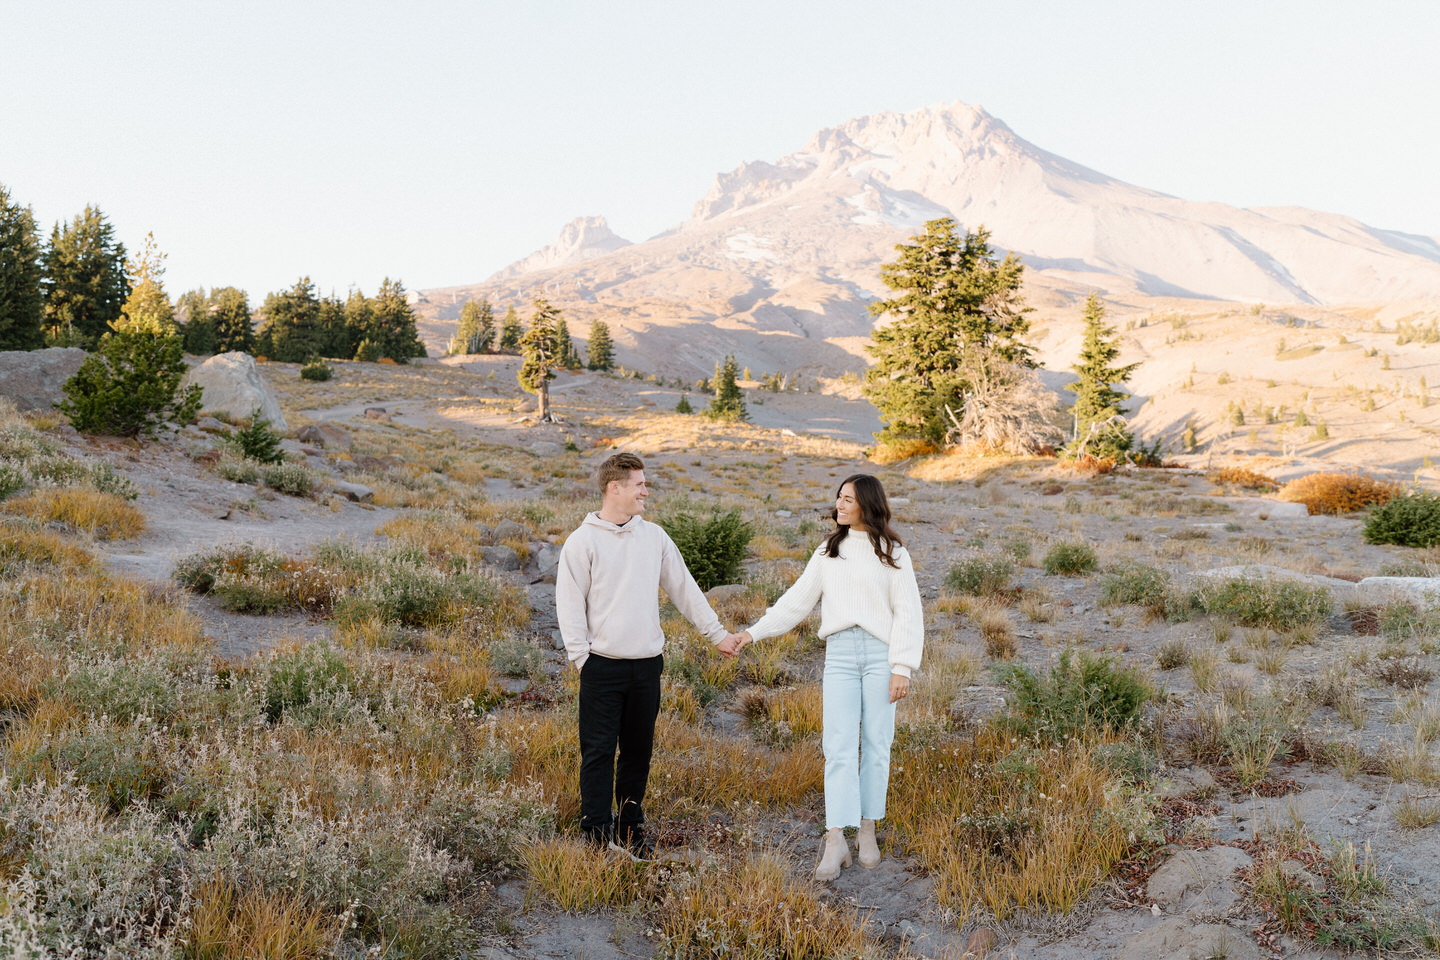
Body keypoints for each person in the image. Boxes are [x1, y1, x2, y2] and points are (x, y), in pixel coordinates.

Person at [729, 473, 923, 881]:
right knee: (836, 746)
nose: (839, 504)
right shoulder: (828, 550)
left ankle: (867, 829)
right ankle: (836, 838)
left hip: (879, 657)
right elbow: (795, 602)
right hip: (839, 654)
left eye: (848, 498)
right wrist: (751, 633)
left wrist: (901, 667)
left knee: (876, 744)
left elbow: (908, 612)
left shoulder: (892, 552)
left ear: (867, 503)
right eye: (838, 497)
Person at [556, 451, 741, 858]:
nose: (646, 489)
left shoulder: (654, 537)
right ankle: (595, 834)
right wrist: (581, 660)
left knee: (639, 751)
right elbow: (569, 606)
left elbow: (685, 589)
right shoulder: (582, 542)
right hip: (601, 667)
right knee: (599, 752)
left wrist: (717, 635)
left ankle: (629, 828)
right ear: (614, 487)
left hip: (646, 666)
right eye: (639, 483)